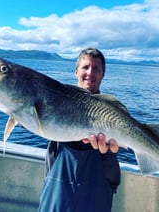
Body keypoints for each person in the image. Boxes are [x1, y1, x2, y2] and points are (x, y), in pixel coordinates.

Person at [38, 47, 121, 212]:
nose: (90, 72)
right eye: (85, 67)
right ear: (76, 72)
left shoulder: (114, 117)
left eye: (96, 68)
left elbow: (113, 180)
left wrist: (107, 154)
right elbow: (30, 113)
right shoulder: (58, 105)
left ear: (103, 74)